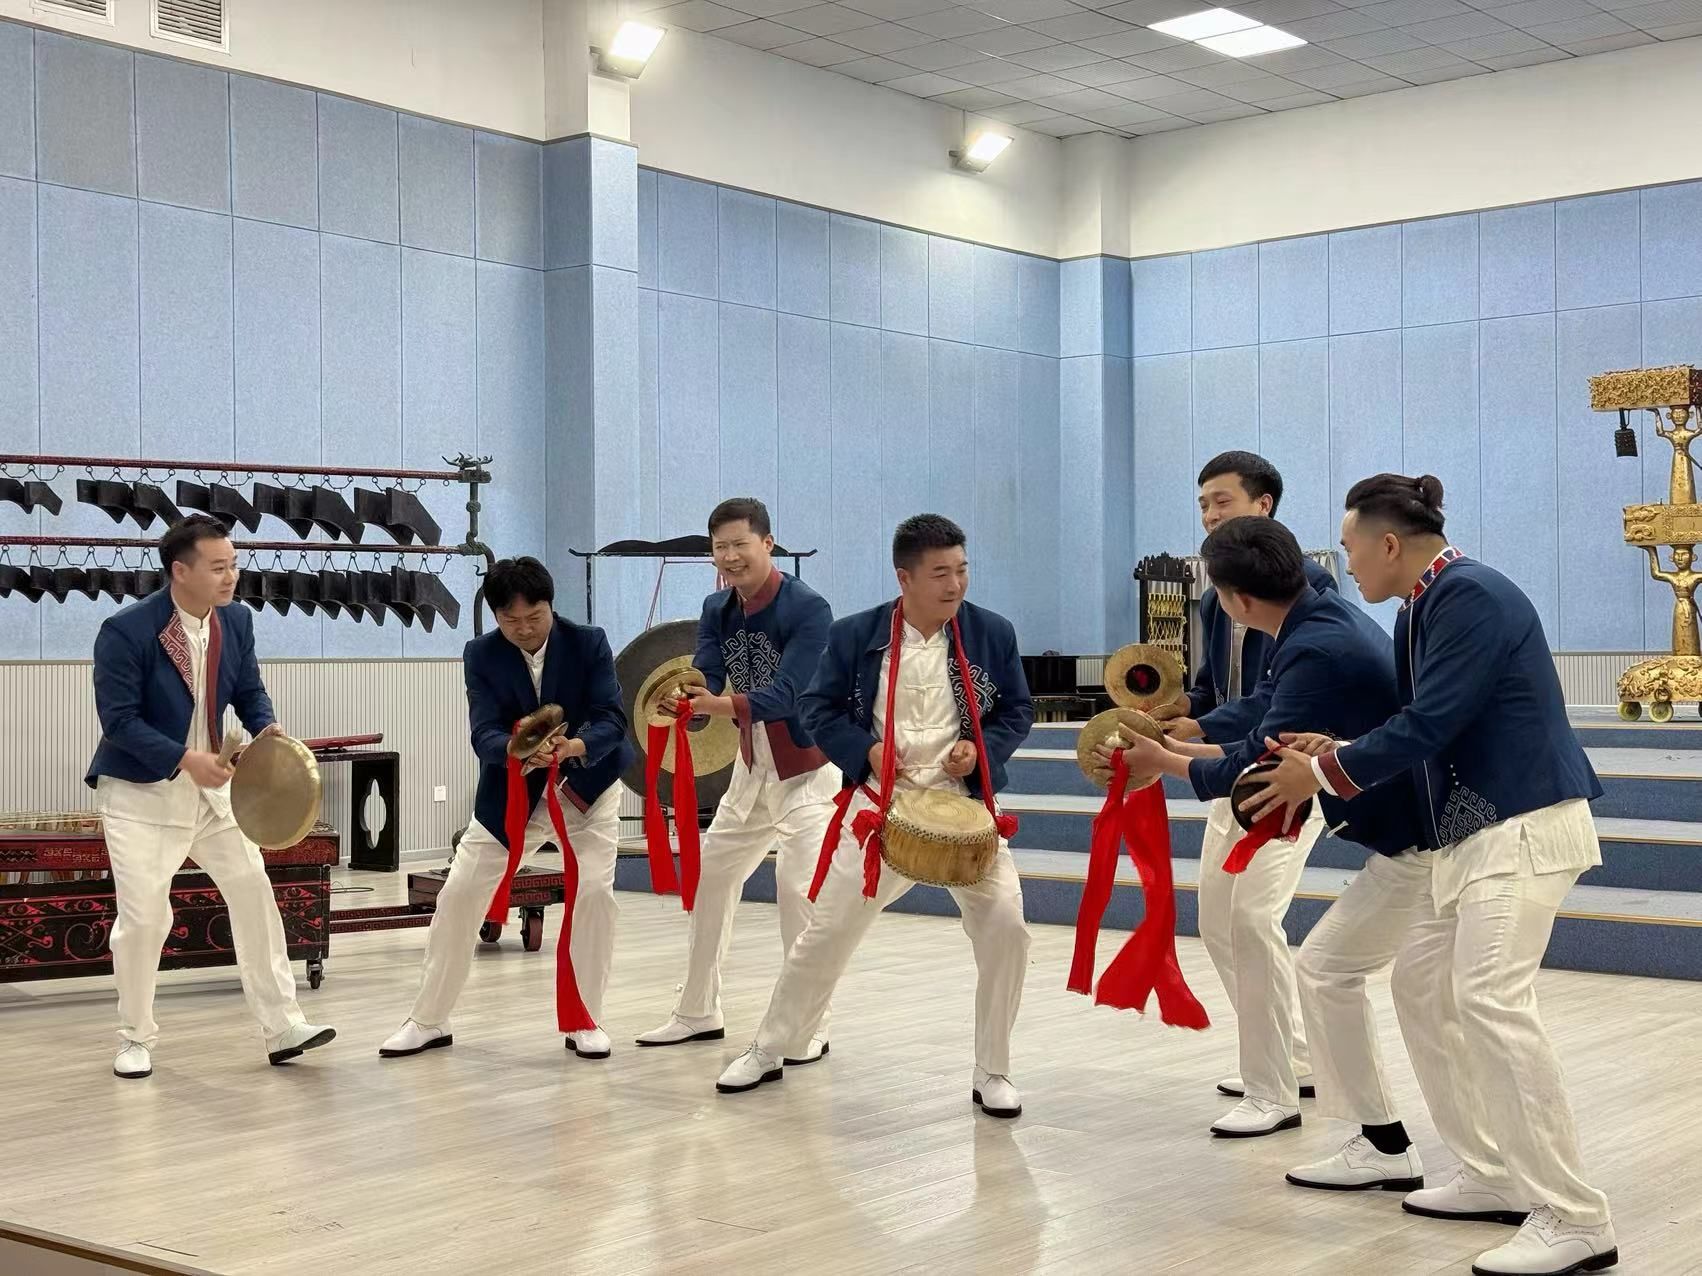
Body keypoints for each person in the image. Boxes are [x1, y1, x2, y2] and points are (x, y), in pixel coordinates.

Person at [1243, 474, 1616, 1276]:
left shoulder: (1470, 595)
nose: (1343, 564)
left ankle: (1575, 1215)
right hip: (1476, 833)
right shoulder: (1424, 605)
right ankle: (1489, 1170)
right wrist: (1332, 749)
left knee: (1489, 1000)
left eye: (1349, 549)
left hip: (1522, 821)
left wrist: (1326, 772)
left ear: (1388, 544)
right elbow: (1425, 724)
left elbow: (1433, 721)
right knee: (1420, 983)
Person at [1109, 517, 1427, 1149]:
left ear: (1240, 599)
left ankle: (1294, 1098)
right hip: (1386, 818)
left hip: (1411, 830)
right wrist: (1179, 742)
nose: (1210, 513)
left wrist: (1164, 760)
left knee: (1270, 932)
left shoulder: (1316, 643)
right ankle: (1331, 1104)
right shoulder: (1311, 623)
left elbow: (1256, 759)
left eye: (1222, 503)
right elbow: (1263, 729)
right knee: (1243, 930)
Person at [713, 514, 1034, 1117]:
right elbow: (816, 707)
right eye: (940, 573)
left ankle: (993, 1068)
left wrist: (980, 750)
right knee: (826, 931)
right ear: (904, 578)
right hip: (879, 807)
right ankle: (770, 1047)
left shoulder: (992, 632)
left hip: (966, 808)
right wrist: (865, 751)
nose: (955, 584)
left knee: (1006, 928)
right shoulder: (856, 633)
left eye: (962, 570)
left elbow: (1016, 710)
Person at [88, 514, 334, 1079]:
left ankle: (283, 1025)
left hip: (216, 795)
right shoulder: (126, 631)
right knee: (145, 919)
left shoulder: (236, 621)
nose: (231, 577)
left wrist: (267, 730)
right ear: (181, 571)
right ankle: (134, 1037)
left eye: (234, 565)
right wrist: (186, 758)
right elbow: (119, 721)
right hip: (142, 795)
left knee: (253, 893)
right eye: (218, 567)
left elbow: (249, 690)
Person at [379, 557, 635, 1061]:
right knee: (459, 894)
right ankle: (428, 1019)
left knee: (594, 896)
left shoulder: (589, 642)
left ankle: (585, 1020)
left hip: (586, 787)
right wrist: (518, 751)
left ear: (551, 606)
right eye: (510, 620)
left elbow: (611, 718)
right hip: (513, 793)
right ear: (496, 616)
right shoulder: (481, 653)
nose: (523, 628)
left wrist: (574, 747)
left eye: (534, 617)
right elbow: (484, 733)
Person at [1152, 452, 1337, 1134]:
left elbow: (1272, 699)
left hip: (1288, 775)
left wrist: (1195, 733)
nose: (1209, 514)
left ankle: (1274, 1085)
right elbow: (1214, 686)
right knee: (1218, 922)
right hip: (1237, 766)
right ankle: (1290, 1057)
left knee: (1253, 920)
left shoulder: (1307, 586)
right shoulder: (1213, 594)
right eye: (1202, 503)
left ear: (1264, 507)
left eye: (1222, 501)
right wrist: (1176, 709)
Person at [636, 498, 841, 1062]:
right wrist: (684, 696)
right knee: (711, 880)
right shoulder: (716, 607)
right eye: (720, 547)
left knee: (797, 893)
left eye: (739, 544)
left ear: (767, 544)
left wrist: (715, 704)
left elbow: (788, 694)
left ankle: (807, 1027)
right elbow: (707, 671)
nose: (729, 556)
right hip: (750, 771)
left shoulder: (809, 609)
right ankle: (698, 1010)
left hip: (807, 772)